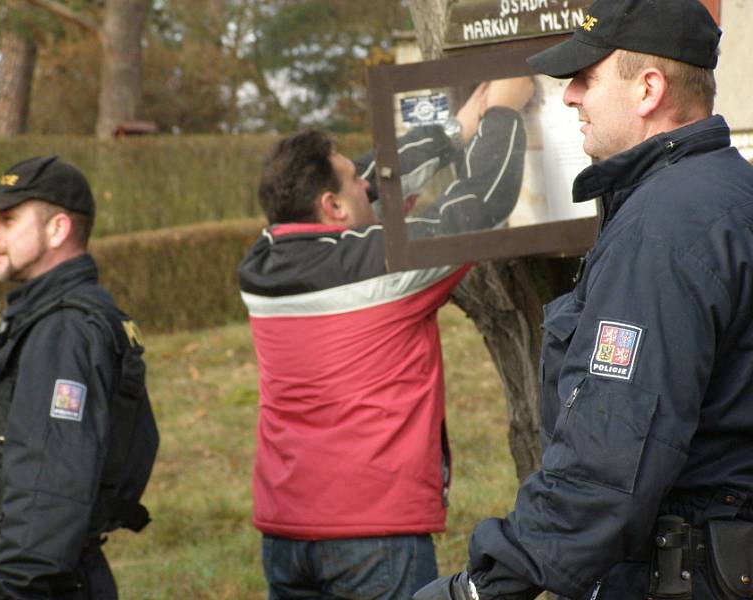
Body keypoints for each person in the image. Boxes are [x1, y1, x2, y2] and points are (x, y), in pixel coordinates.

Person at [414, 0, 753, 599]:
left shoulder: (663, 229)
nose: (569, 96)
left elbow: (609, 464)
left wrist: (481, 586)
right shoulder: (730, 191)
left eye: (586, 78)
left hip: (687, 573)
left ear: (648, 89)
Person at [238, 77, 534, 600]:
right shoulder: (385, 267)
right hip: (374, 536)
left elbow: (373, 180)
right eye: (354, 183)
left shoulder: (259, 266)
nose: (368, 186)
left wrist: (455, 128)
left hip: (285, 530)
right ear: (331, 206)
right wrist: (505, 112)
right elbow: (478, 206)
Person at [0, 156, 159, 599]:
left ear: (58, 229)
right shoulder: (44, 319)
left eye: (8, 220)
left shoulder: (63, 331)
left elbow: (51, 484)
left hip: (25, 585)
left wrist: (15, 589)